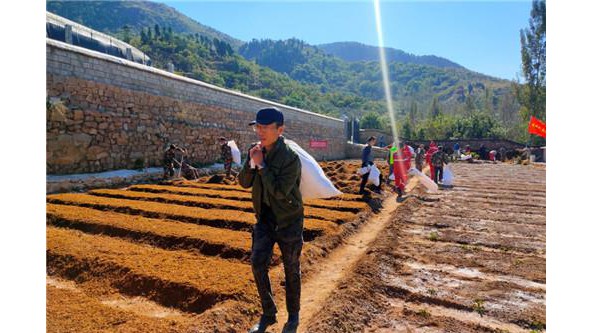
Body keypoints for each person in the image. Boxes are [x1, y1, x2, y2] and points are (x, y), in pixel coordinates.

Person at [239, 107, 303, 333]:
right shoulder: (255, 151)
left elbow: (279, 193)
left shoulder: (290, 159)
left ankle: (293, 315)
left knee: (291, 269)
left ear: (280, 129)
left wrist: (263, 166)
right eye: (258, 126)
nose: (260, 131)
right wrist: (251, 162)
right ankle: (269, 313)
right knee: (257, 264)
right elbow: (244, 183)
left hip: (289, 221)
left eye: (265, 127)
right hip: (265, 220)